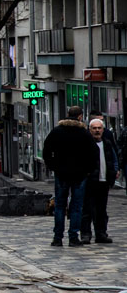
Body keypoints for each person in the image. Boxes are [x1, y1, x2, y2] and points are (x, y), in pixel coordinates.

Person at [42, 106, 97, 247]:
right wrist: (88, 170)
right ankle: (73, 237)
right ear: (80, 116)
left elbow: (46, 150)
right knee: (76, 206)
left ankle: (57, 238)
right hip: (79, 175)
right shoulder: (84, 133)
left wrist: (53, 166)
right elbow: (93, 153)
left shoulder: (57, 131)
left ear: (67, 115)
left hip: (61, 174)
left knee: (60, 206)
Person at [80, 118, 119, 244]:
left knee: (101, 210)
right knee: (87, 209)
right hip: (90, 181)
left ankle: (101, 233)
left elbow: (114, 159)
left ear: (103, 129)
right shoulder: (86, 144)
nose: (97, 130)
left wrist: (115, 171)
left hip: (104, 180)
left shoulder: (107, 143)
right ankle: (86, 234)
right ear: (90, 129)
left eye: (99, 128)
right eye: (94, 128)